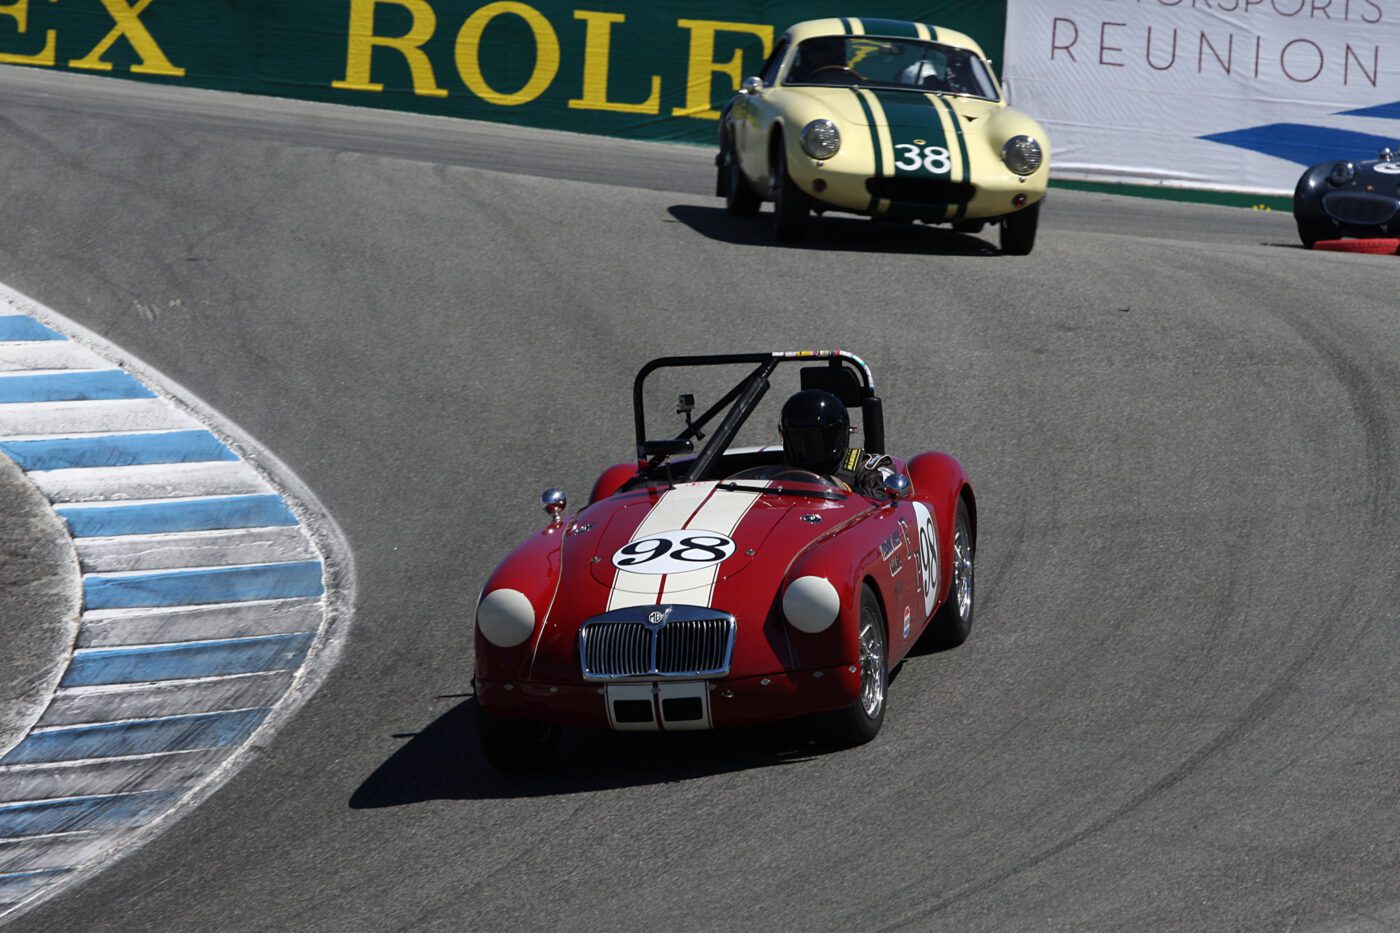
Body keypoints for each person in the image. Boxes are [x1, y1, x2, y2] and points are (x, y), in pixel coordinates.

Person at [779, 389, 894, 497]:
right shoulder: (777, 468)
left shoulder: (867, 470)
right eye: (799, 441)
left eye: (816, 441)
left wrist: (845, 491)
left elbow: (887, 502)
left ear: (839, 436)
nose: (809, 449)